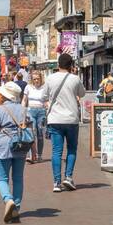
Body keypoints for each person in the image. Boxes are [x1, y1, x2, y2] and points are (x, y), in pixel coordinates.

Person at [0, 80, 35, 223]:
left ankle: (8, 200)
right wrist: (34, 150)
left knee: (2, 178)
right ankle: (16, 207)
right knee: (18, 178)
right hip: (21, 146)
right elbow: (31, 130)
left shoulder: (0, 110)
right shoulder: (24, 110)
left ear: (5, 96)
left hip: (3, 146)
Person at [42, 52, 85, 193]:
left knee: (56, 151)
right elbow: (82, 93)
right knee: (72, 149)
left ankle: (56, 182)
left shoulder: (50, 78)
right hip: (71, 119)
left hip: (55, 119)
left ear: (58, 64)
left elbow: (44, 96)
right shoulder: (75, 79)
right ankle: (68, 177)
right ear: (71, 65)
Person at [24, 70, 49, 158]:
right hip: (31, 111)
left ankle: (40, 155)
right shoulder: (28, 87)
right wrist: (22, 111)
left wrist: (47, 106)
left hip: (41, 111)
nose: (36, 81)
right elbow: (24, 100)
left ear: (41, 79)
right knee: (32, 132)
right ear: (31, 79)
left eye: (38, 79)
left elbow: (46, 100)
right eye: (34, 79)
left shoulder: (44, 87)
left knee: (40, 134)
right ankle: (32, 154)